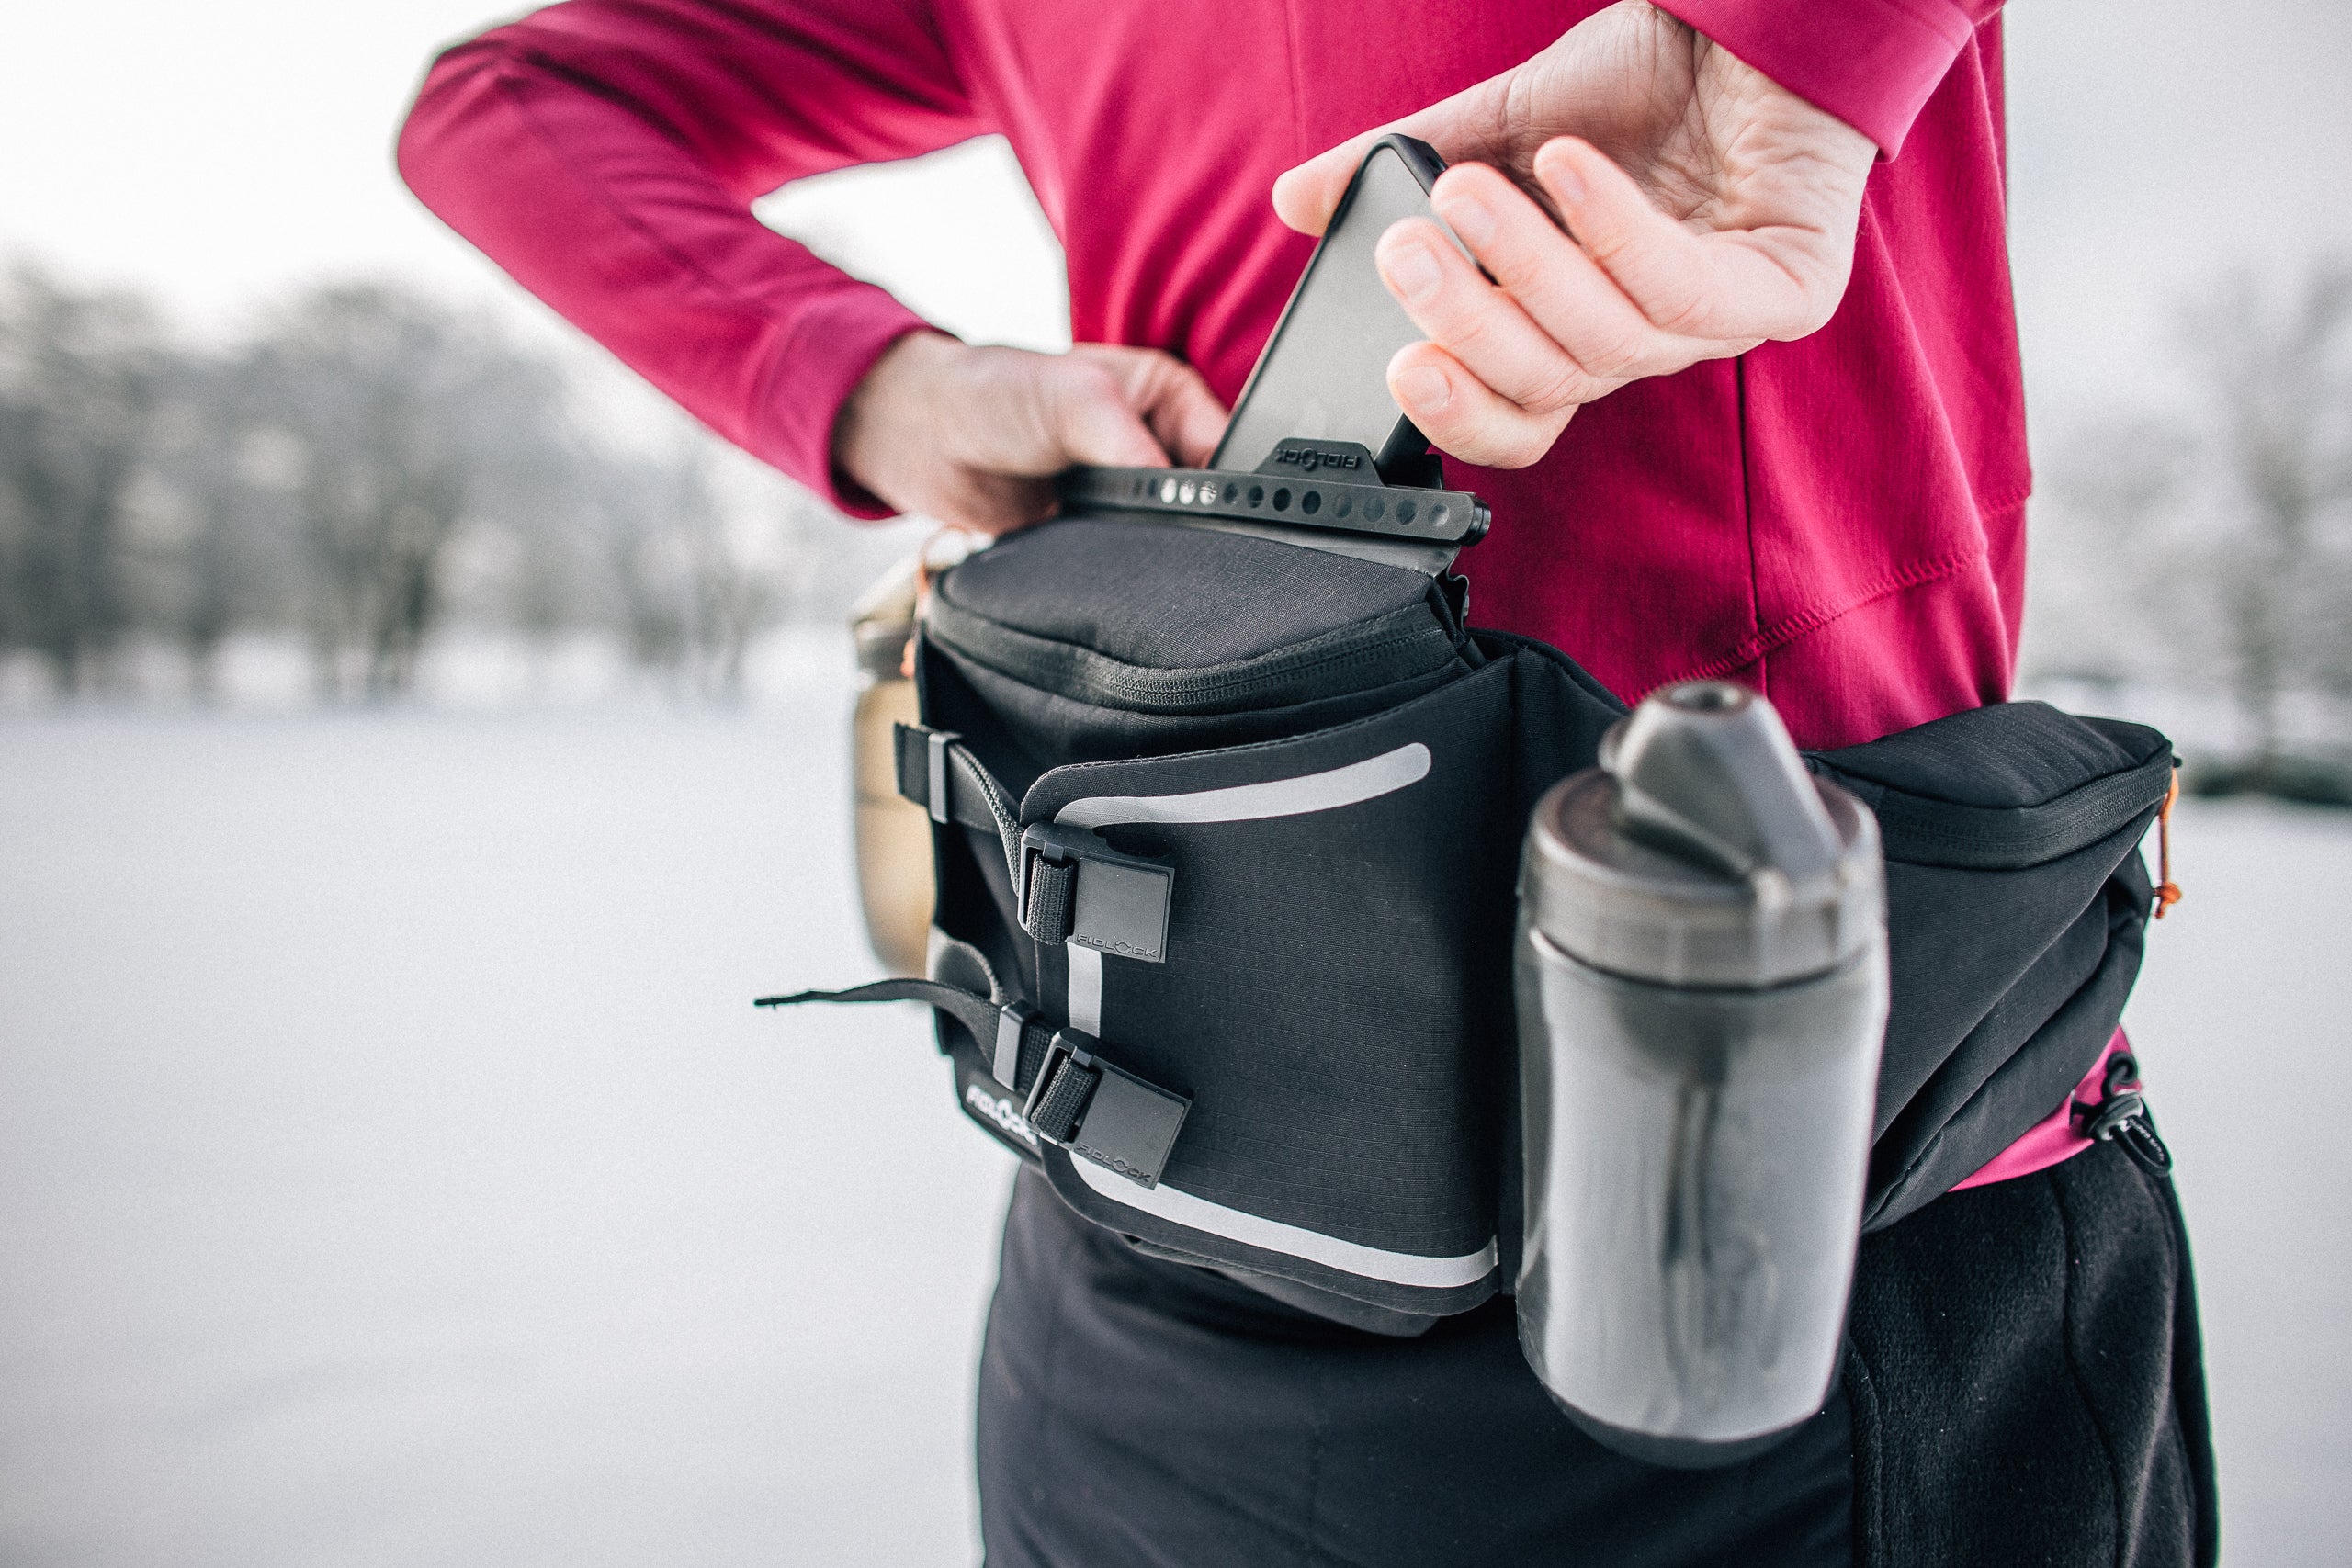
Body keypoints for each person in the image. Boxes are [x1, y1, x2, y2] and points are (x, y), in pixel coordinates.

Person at [399, 3, 2216, 1562]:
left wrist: (874, 388)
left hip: (1159, 1256)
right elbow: (507, 111)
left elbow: (503, 114)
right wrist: (892, 387)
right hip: (1736, 1305)